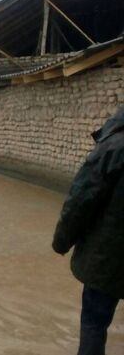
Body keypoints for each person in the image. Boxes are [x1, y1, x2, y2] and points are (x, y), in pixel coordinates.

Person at [52, 106, 124, 355]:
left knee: (94, 323)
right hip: (107, 261)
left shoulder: (113, 148)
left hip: (106, 262)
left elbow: (80, 201)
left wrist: (61, 242)